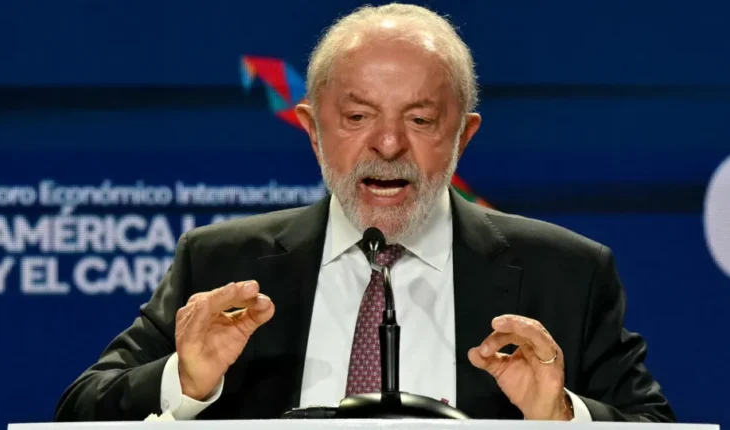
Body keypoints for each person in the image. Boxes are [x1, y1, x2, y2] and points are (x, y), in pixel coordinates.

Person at [54, 3, 675, 422]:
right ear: (311, 129)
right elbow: (78, 411)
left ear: (464, 137)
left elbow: (655, 425)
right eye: (357, 117)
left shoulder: (565, 272)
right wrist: (184, 382)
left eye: (421, 120)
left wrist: (562, 418)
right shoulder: (223, 263)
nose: (388, 144)